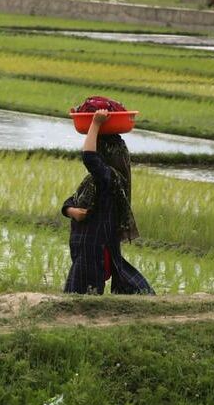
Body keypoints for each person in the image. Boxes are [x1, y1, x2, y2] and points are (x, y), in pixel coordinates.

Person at [61, 110, 154, 295]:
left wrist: (95, 124)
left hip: (95, 249)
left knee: (82, 297)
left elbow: (89, 157)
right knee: (79, 295)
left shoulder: (110, 179)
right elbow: (69, 202)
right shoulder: (92, 182)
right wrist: (72, 211)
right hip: (84, 247)